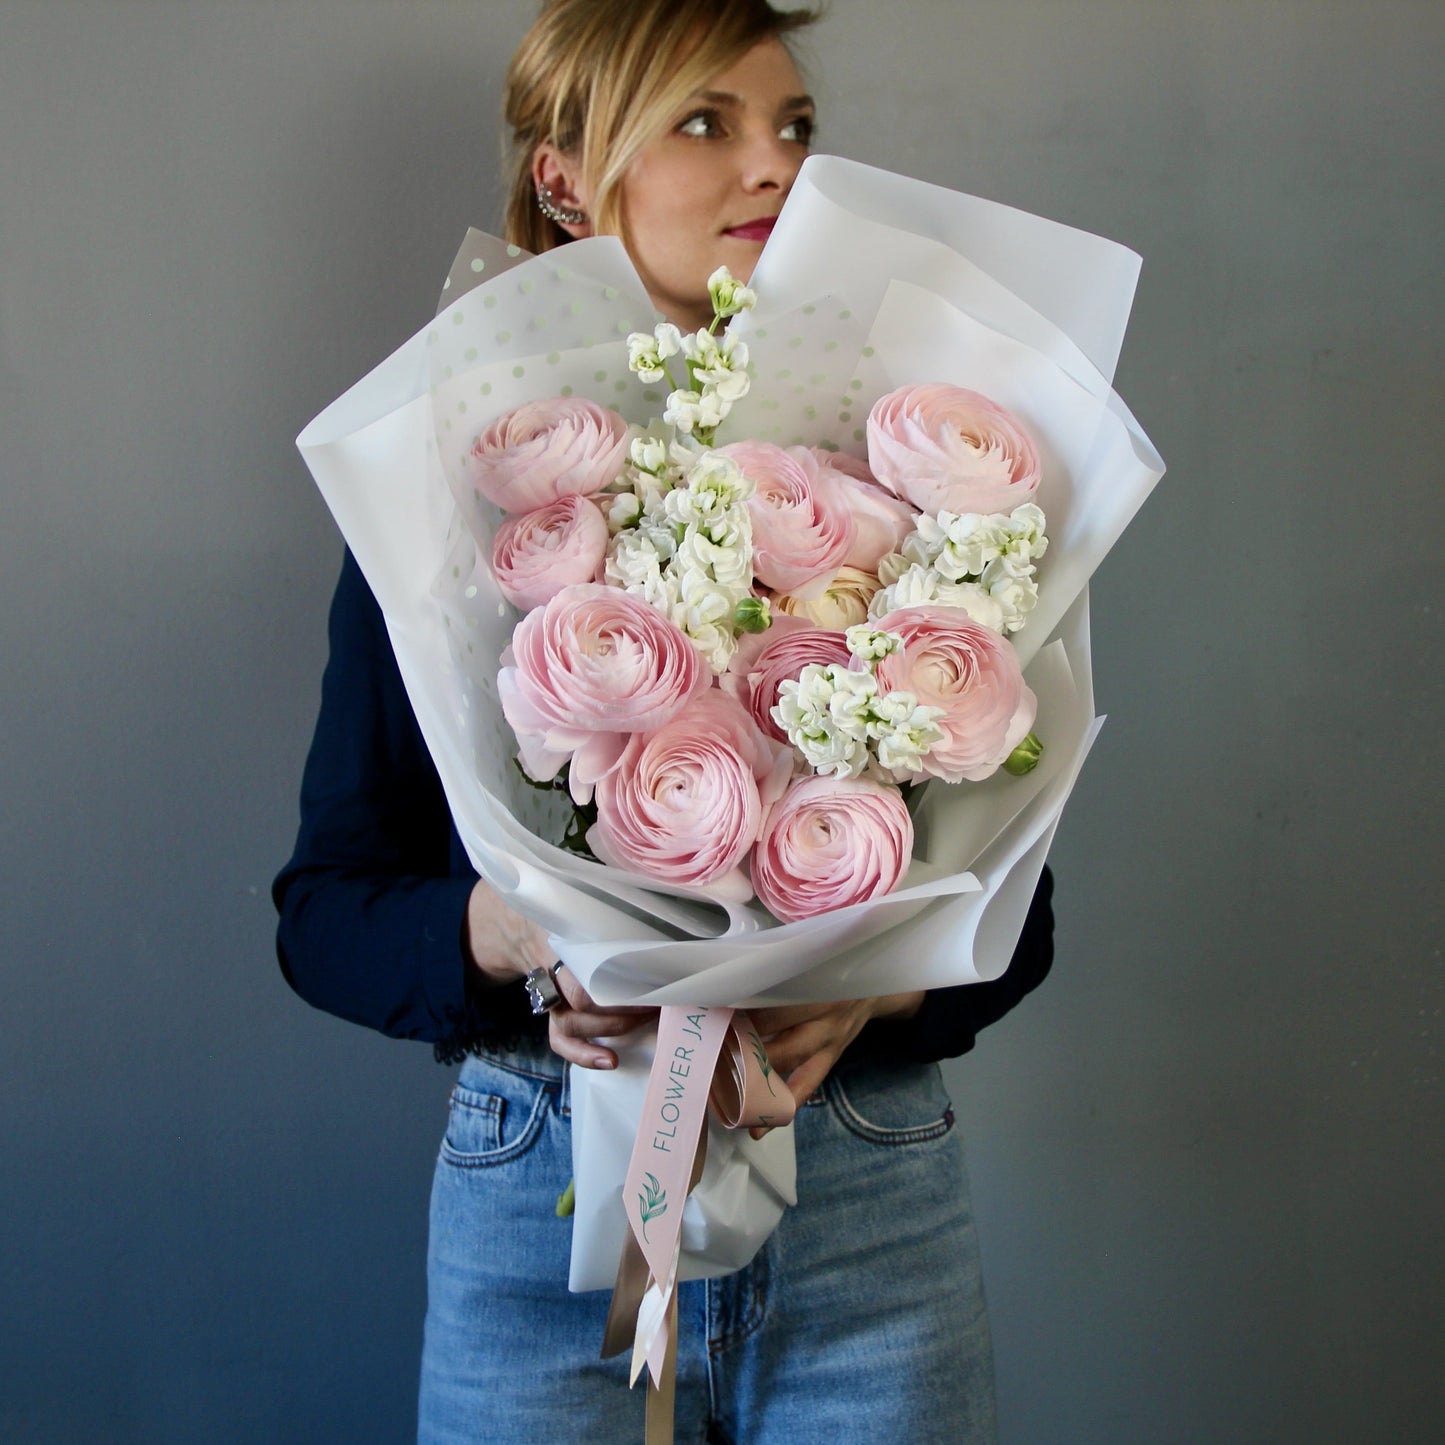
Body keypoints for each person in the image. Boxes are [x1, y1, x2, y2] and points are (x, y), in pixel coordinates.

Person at [274, 2, 1055, 1440]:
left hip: (864, 1182)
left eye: (794, 129)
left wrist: (873, 983)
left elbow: (1022, 912)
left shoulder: (879, 491)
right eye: (707, 122)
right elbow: (323, 911)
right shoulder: (459, 505)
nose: (775, 165)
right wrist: (510, 929)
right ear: (567, 172)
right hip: (542, 1192)